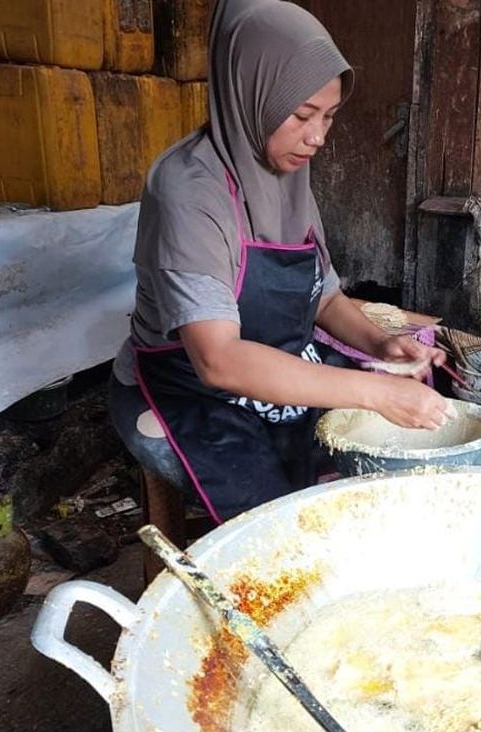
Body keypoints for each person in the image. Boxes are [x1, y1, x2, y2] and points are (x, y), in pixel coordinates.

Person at [108, 0, 450, 525]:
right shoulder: (190, 191)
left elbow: (325, 295)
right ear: (251, 93)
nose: (317, 138)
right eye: (301, 116)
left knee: (377, 469)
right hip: (191, 387)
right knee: (281, 526)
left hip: (282, 365)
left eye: (329, 117)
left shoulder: (288, 177)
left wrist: (378, 345)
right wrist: (375, 390)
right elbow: (217, 361)